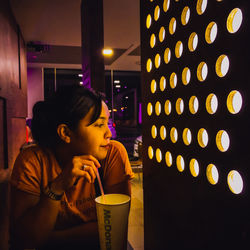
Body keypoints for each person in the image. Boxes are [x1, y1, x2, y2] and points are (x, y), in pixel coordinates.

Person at [9, 86, 134, 250]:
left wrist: (50, 238)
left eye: (107, 123)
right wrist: (57, 186)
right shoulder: (33, 162)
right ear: (66, 133)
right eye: (98, 125)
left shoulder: (112, 153)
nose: (108, 133)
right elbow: (26, 239)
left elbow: (114, 230)